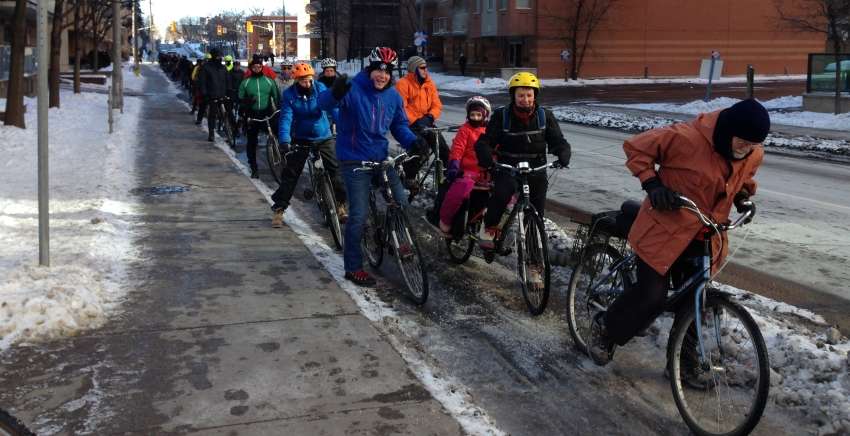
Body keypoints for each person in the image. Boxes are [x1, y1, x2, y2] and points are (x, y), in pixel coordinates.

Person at [587, 99, 769, 366]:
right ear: (728, 130)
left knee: (695, 300)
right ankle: (605, 330)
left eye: (752, 144)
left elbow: (744, 178)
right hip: (664, 229)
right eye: (742, 141)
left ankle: (685, 366)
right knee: (652, 296)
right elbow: (636, 148)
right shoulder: (685, 137)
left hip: (705, 232)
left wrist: (743, 198)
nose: (746, 148)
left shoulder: (753, 152)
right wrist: (653, 185)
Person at [318, 47, 429, 287]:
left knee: (399, 201)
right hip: (354, 160)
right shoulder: (352, 88)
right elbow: (323, 104)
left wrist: (413, 141)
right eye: (378, 70)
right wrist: (334, 93)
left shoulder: (392, 97)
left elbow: (399, 125)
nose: (382, 75)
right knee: (358, 216)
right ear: (370, 70)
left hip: (380, 158)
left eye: (387, 71)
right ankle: (353, 267)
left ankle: (399, 238)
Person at [473, 72, 571, 259]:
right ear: (513, 96)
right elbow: (485, 142)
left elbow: (557, 140)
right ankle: (489, 228)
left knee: (535, 220)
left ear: (535, 95)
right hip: (508, 167)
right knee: (501, 195)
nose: (525, 99)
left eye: (529, 95)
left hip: (536, 169)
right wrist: (487, 160)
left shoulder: (545, 116)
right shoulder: (502, 116)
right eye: (520, 95)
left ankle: (535, 264)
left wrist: (563, 152)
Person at [270, 62, 345, 227]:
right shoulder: (290, 95)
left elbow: (333, 109)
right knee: (291, 174)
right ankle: (279, 210)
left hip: (323, 135)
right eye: (303, 81)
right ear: (296, 81)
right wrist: (284, 140)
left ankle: (340, 205)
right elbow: (286, 118)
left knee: (335, 171)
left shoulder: (320, 88)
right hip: (302, 137)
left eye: (309, 80)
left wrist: (343, 128)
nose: (307, 84)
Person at [436, 96, 492, 235]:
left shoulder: (490, 131)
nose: (475, 118)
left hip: (486, 172)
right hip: (467, 171)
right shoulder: (465, 130)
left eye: (479, 115)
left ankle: (488, 226)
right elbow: (458, 148)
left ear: (485, 115)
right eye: (472, 114)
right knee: (458, 192)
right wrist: (454, 163)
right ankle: (446, 220)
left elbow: (496, 149)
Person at [395, 55, 447, 191]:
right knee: (421, 147)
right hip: (409, 124)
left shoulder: (429, 84)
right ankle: (409, 176)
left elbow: (437, 104)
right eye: (422, 68)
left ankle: (449, 175)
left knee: (441, 147)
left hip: (426, 122)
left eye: (426, 67)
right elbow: (402, 107)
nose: (425, 70)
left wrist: (430, 117)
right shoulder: (403, 83)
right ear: (414, 69)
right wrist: (415, 120)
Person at [238, 58, 281, 177]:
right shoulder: (245, 82)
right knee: (251, 141)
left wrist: (278, 110)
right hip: (252, 115)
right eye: (254, 67)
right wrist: (246, 102)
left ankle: (281, 157)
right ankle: (254, 167)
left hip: (266, 113)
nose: (257, 69)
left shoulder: (269, 81)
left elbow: (276, 97)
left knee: (276, 134)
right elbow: (240, 98)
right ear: (251, 68)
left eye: (259, 67)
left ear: (262, 67)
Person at [198, 49, 228, 141]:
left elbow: (227, 80)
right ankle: (211, 133)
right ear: (214, 56)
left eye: (221, 56)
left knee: (228, 113)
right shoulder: (206, 67)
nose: (220, 58)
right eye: (218, 56)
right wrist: (205, 94)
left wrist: (230, 91)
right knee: (212, 115)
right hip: (212, 95)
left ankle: (230, 131)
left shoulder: (223, 68)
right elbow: (202, 82)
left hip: (223, 94)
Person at [224, 55, 243, 138]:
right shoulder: (230, 73)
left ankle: (239, 125)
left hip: (239, 94)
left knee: (240, 112)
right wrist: (230, 89)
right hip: (232, 94)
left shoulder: (242, 73)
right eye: (236, 66)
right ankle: (232, 126)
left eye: (238, 66)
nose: (237, 67)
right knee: (230, 110)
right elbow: (228, 82)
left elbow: (244, 82)